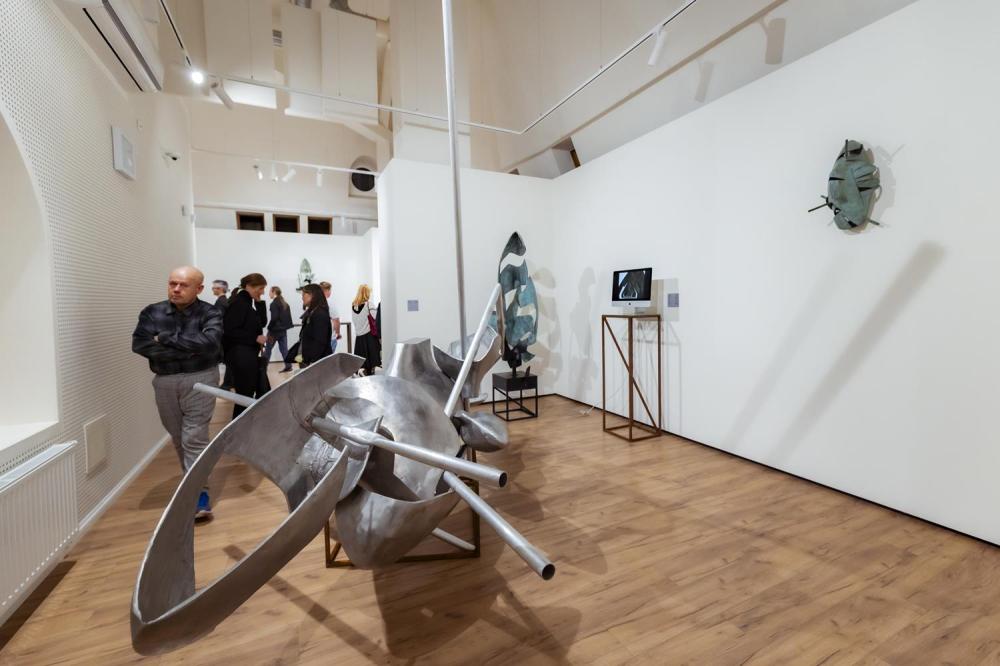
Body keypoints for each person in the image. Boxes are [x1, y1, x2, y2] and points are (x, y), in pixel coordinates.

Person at [132, 266, 222, 521]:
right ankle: (191, 483)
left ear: (199, 289)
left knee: (194, 437)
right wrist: (189, 350)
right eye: (173, 283)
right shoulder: (152, 312)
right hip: (165, 381)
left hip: (201, 379)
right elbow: (140, 344)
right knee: (179, 437)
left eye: (183, 285)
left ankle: (198, 494)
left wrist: (165, 338)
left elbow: (210, 344)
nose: (176, 289)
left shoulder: (210, 313)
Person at [223, 273, 267, 418]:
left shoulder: (247, 302)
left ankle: (243, 423)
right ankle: (239, 424)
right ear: (248, 286)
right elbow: (229, 330)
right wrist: (255, 338)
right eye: (260, 288)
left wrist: (259, 302)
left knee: (246, 393)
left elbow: (262, 323)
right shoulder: (239, 303)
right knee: (244, 395)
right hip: (241, 356)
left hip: (245, 355)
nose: (262, 292)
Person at [299, 284, 333, 368]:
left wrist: (312, 362)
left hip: (317, 363)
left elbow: (320, 341)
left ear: (312, 295)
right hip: (310, 360)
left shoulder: (320, 314)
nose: (302, 298)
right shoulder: (313, 312)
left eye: (303, 295)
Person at [351, 283, 381, 376]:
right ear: (366, 293)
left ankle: (363, 374)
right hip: (369, 337)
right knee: (373, 362)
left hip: (359, 338)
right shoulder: (369, 304)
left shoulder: (353, 306)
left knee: (362, 364)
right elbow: (376, 318)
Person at [263, 286, 293, 372]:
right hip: (283, 331)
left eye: (270, 292)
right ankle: (288, 366)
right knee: (284, 349)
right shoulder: (285, 303)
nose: (269, 294)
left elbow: (274, 318)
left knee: (268, 349)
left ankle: (263, 367)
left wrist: (269, 327)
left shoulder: (274, 304)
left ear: (274, 292)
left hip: (273, 332)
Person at [319, 281, 342, 353]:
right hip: (329, 338)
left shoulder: (314, 303)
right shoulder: (330, 303)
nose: (330, 292)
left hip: (318, 339)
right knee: (329, 359)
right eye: (330, 290)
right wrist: (338, 333)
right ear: (327, 290)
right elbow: (336, 321)